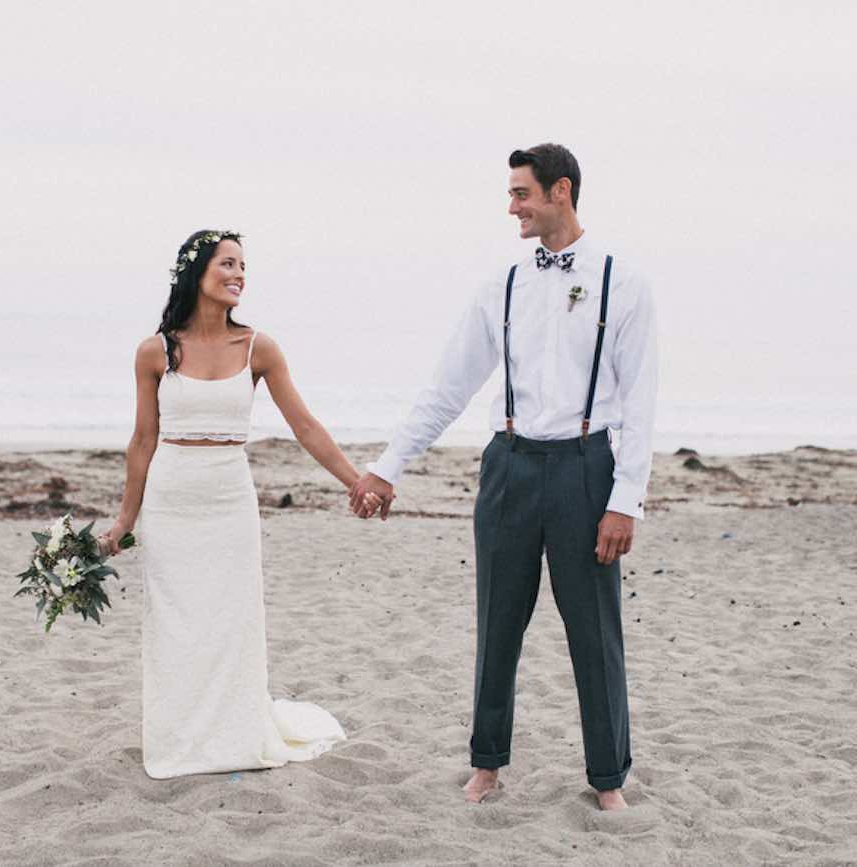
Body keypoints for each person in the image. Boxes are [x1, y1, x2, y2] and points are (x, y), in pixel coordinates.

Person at [350, 144, 658, 810]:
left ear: (561, 192)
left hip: (586, 468)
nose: (511, 206)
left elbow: (640, 400)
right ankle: (486, 765)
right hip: (509, 467)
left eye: (522, 193)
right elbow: (448, 386)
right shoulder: (504, 285)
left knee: (594, 632)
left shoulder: (620, 281)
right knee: (496, 625)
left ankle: (608, 779)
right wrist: (387, 466)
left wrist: (625, 498)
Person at [99, 229, 378, 778]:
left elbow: (305, 425)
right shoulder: (155, 352)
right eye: (227, 264)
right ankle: (180, 738)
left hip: (229, 499)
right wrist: (124, 521)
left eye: (243, 266)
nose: (239, 275)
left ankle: (231, 738)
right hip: (172, 500)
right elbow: (142, 442)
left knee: (230, 621)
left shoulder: (259, 347)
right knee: (176, 626)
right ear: (197, 272)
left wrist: (355, 482)